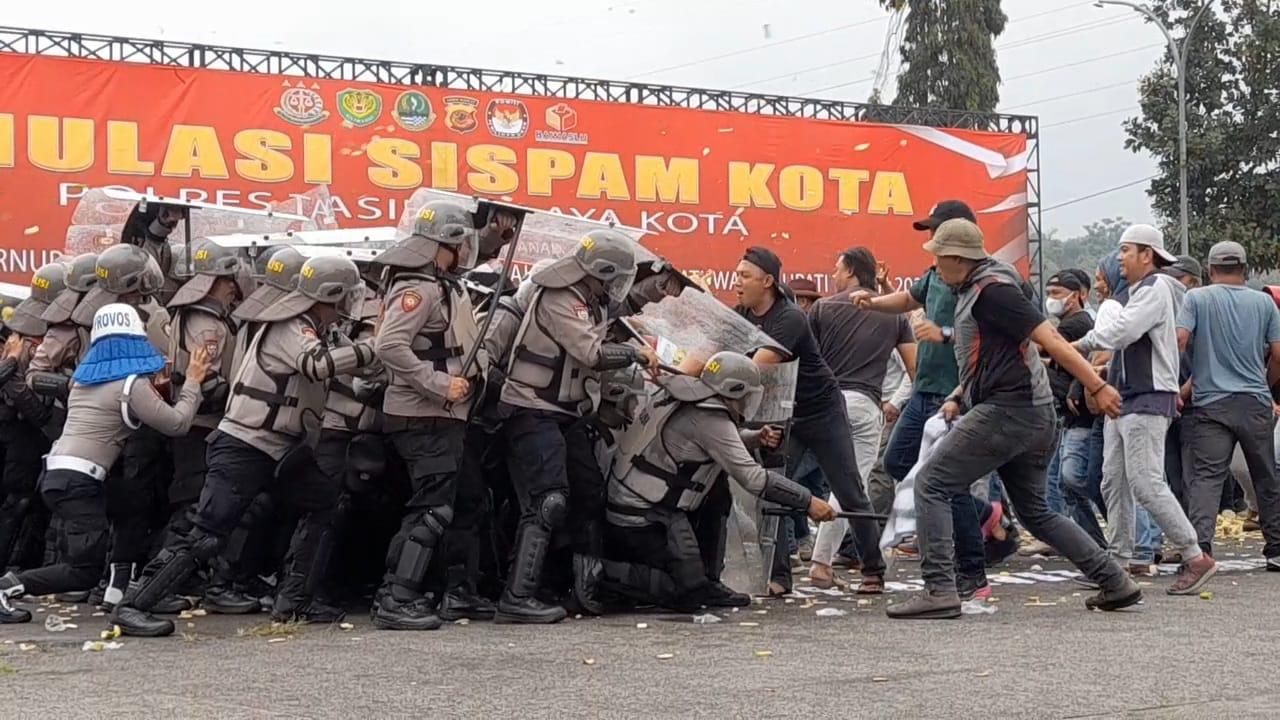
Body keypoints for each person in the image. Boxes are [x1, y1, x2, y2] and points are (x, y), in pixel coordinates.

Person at [883, 219, 1139, 619]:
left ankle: (939, 590)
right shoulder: (978, 288)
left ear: (956, 258)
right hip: (1029, 414)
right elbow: (993, 356)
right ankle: (1115, 581)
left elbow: (1048, 341)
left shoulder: (993, 291)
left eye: (937, 257)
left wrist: (1096, 385)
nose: (933, 265)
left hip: (1009, 410)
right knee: (1035, 512)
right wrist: (956, 395)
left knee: (932, 482)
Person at [112, 256, 377, 637]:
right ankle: (134, 606)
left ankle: (294, 601)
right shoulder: (289, 326)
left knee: (325, 503)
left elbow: (341, 368)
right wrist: (373, 349)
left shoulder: (314, 328)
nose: (343, 311)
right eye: (340, 301)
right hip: (245, 445)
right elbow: (316, 365)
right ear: (325, 297)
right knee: (207, 533)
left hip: (283, 449)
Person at [0, 304, 210, 624]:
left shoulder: (84, 381)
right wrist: (193, 382)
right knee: (82, 571)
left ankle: (118, 589)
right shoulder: (131, 385)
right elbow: (178, 424)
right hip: (79, 482)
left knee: (132, 504)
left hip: (60, 474)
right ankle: (7, 587)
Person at [495, 230, 658, 624]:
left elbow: (613, 316)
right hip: (531, 409)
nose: (618, 286)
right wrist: (636, 353)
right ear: (600, 272)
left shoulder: (590, 300)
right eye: (615, 276)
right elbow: (590, 351)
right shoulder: (559, 297)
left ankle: (580, 589)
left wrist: (656, 290)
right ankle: (518, 596)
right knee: (546, 501)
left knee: (586, 495)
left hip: (567, 413)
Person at [592, 351, 835, 611]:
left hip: (644, 505)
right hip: (641, 515)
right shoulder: (709, 417)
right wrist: (808, 501)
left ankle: (707, 580)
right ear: (735, 390)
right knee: (684, 594)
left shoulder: (694, 399)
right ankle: (602, 573)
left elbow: (707, 442)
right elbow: (752, 478)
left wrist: (754, 438)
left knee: (716, 488)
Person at [850, 201, 994, 597]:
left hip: (955, 393)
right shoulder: (934, 275)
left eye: (935, 231)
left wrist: (943, 333)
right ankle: (987, 516)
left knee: (949, 483)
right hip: (923, 389)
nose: (929, 240)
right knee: (897, 460)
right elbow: (908, 299)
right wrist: (873, 301)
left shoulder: (982, 281)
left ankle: (972, 572)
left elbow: (987, 332)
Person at [733, 246, 886, 595]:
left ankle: (873, 569)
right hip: (786, 415)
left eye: (745, 276)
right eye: (737, 274)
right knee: (775, 491)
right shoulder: (741, 313)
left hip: (823, 412)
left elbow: (756, 365)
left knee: (849, 492)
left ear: (767, 281)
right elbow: (714, 344)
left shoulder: (789, 318)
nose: (737, 282)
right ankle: (779, 578)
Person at [371, 202, 495, 630]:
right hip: (423, 413)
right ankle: (396, 595)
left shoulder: (444, 286)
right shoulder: (418, 289)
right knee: (432, 508)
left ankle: (458, 593)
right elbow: (388, 346)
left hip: (448, 415)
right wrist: (440, 383)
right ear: (450, 244)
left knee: (466, 502)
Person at [1074, 224, 1217, 595]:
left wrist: (1070, 345)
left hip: (1149, 396)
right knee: (1113, 479)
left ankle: (1194, 555)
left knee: (1144, 481)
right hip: (1127, 396)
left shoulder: (1154, 290)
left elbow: (1121, 334)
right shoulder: (1141, 291)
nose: (1119, 258)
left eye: (1126, 250)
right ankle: (1120, 558)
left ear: (1147, 255)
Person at [806, 247, 916, 588]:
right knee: (852, 489)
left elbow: (806, 359)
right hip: (867, 406)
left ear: (852, 270)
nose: (835, 276)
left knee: (795, 478)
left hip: (824, 404)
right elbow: (915, 368)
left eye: (838, 269)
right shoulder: (894, 317)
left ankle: (784, 567)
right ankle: (828, 562)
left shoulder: (822, 308)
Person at [1176, 241, 1280, 570]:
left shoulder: (1196, 298)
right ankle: (1276, 549)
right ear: (1244, 269)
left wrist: (1178, 388)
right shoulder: (1264, 304)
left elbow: (1180, 341)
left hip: (1210, 406)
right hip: (1255, 403)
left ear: (1209, 269)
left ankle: (1200, 552)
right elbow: (1278, 355)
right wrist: (1263, 383)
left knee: (1206, 478)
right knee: (1265, 476)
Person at [162, 240, 253, 557]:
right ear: (217, 281)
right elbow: (209, 382)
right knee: (194, 504)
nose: (234, 288)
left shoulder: (195, 316)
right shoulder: (206, 322)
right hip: (201, 423)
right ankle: (161, 578)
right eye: (230, 281)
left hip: (195, 419)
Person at [0, 264, 65, 571]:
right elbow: (35, 411)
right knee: (18, 502)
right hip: (20, 435)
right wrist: (12, 368)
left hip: (25, 437)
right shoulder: (22, 347)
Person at [1038, 270, 1101, 552]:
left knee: (1072, 479)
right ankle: (1077, 541)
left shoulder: (1076, 324)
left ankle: (1092, 541)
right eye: (1049, 294)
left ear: (1077, 296)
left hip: (1078, 414)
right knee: (1062, 480)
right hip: (1069, 413)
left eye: (1057, 294)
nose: (1052, 300)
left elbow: (1046, 349)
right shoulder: (1075, 322)